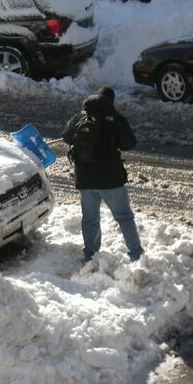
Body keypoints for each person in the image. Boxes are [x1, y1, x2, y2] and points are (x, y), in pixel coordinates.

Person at [62, 86, 144, 262]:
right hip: (111, 179)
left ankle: (90, 255)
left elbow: (66, 136)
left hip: (85, 179)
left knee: (90, 219)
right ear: (110, 101)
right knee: (124, 217)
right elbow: (129, 143)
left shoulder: (79, 117)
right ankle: (136, 254)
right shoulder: (115, 118)